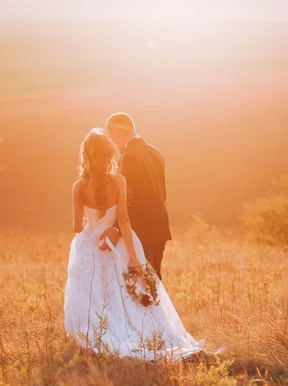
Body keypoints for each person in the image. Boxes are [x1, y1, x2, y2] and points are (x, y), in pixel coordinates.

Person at [64, 129, 204, 361]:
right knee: (122, 293)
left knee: (95, 293)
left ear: (85, 155)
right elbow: (125, 220)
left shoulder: (78, 186)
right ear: (109, 154)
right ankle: (138, 332)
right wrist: (134, 258)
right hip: (116, 242)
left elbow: (77, 227)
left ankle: (99, 334)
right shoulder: (119, 181)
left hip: (91, 244)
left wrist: (91, 218)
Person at [100, 112, 171, 280]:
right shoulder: (154, 152)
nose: (112, 143)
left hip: (141, 231)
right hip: (159, 227)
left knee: (140, 283)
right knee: (153, 283)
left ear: (119, 132)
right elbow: (162, 192)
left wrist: (116, 227)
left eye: (111, 137)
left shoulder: (129, 157)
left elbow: (129, 198)